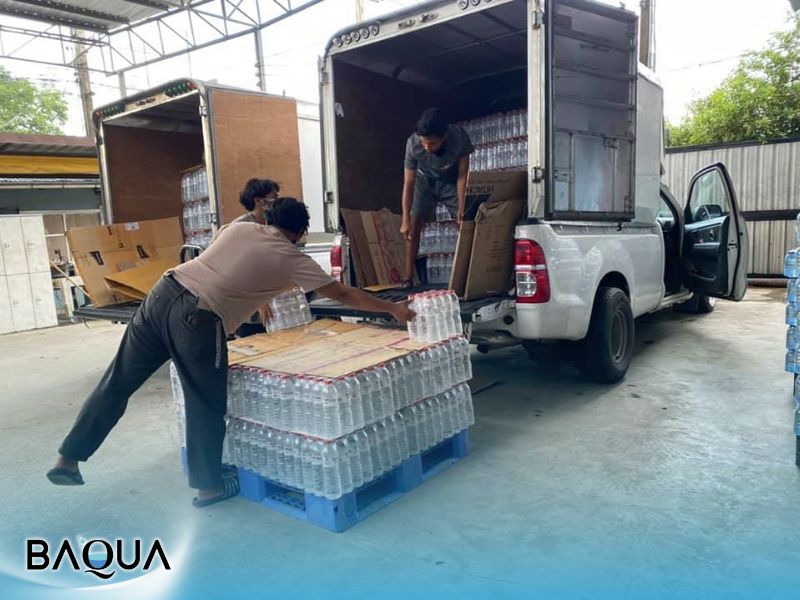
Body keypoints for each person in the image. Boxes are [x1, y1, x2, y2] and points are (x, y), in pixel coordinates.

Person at [47, 198, 414, 507]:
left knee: (117, 382)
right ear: (300, 232)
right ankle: (209, 487)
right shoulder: (291, 256)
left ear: (267, 220)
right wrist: (392, 309)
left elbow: (232, 270)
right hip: (198, 316)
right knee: (205, 401)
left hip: (162, 294)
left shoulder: (237, 229)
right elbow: (343, 294)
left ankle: (68, 458)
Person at [400, 108, 473, 287]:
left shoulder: (460, 138)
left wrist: (461, 207)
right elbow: (408, 183)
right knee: (414, 224)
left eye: (432, 144)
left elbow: (462, 176)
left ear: (444, 137)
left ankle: (468, 275)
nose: (427, 148)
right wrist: (405, 219)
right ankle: (407, 277)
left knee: (464, 222)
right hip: (424, 182)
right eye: (423, 143)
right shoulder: (413, 144)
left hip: (450, 182)